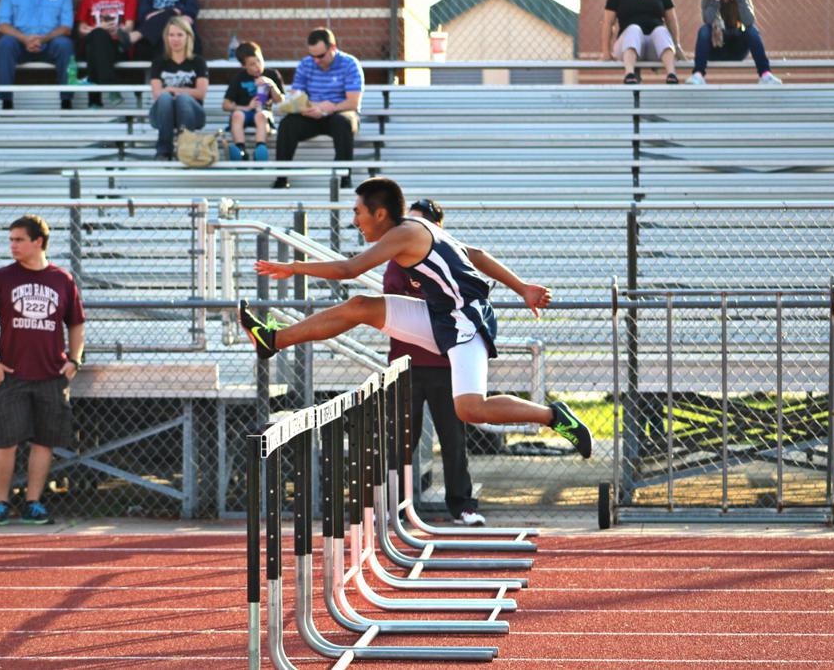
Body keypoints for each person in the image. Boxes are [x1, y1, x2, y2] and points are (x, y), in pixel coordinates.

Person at [239, 177, 593, 459]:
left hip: (465, 319)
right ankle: (273, 340)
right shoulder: (417, 227)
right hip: (438, 313)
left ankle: (554, 416)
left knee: (470, 409)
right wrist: (522, 288)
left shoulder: (406, 233)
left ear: (380, 213)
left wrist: (294, 267)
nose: (354, 221)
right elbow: (476, 254)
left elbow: (349, 269)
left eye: (358, 212)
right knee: (361, 306)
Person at [0, 214, 85, 526]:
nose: (13, 245)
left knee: (44, 442)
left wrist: (74, 360)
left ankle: (33, 503)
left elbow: (76, 323)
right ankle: (0, 503)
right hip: (13, 375)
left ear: (38, 242)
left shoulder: (62, 279)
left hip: (51, 375)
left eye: (19, 239)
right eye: (11, 240)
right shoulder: (2, 278)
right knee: (5, 441)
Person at [385, 198, 484, 526]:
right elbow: (394, 301)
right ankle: (394, 508)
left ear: (437, 226)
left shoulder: (450, 255)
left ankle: (463, 506)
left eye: (422, 221)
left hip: (446, 362)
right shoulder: (398, 258)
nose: (412, 227)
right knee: (400, 441)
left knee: (453, 439)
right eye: (409, 221)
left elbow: (465, 299)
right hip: (406, 363)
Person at [272, 28, 364, 190]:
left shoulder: (350, 64)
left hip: (339, 113)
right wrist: (308, 108)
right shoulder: (305, 64)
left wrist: (331, 108)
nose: (316, 60)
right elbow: (297, 96)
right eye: (312, 55)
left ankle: (344, 178)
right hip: (311, 114)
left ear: (333, 48)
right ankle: (281, 178)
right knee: (287, 124)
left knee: (343, 122)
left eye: (320, 56)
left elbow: (353, 103)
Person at [0, 0, 75, 110]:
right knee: (5, 44)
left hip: (50, 44)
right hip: (20, 45)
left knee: (65, 44)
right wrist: (24, 39)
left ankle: (66, 101)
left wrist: (43, 39)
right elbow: (2, 25)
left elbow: (66, 27)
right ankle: (6, 102)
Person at [686, 0, 781, 85]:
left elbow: (748, 21)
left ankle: (765, 74)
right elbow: (708, 20)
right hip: (715, 48)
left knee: (751, 30)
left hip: (737, 49)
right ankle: (698, 74)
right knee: (704, 30)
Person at [148, 16, 207, 161]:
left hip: (192, 114)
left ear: (188, 37)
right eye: (171, 35)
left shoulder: (198, 62)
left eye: (180, 35)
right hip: (163, 113)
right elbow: (157, 94)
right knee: (165, 98)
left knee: (183, 99)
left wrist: (176, 91)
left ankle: (185, 148)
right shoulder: (159, 62)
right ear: (166, 38)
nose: (175, 39)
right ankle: (164, 151)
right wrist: (171, 93)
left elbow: (201, 93)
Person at [601, 0, 685, 84]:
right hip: (627, 47)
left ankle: (671, 74)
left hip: (654, 49)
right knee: (634, 29)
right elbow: (608, 23)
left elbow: (671, 21)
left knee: (661, 30)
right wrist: (606, 51)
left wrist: (677, 46)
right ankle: (629, 74)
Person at [223, 41, 285, 162]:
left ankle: (260, 150)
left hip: (263, 113)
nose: (257, 66)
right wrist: (246, 107)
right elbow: (226, 105)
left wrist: (271, 85)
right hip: (244, 113)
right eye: (252, 64)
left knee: (260, 115)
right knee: (237, 115)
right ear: (244, 66)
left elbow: (280, 100)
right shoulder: (238, 78)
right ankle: (241, 151)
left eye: (259, 61)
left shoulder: (271, 74)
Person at [76, 0, 137, 108]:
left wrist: (116, 30)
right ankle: (111, 86)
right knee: (98, 36)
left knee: (94, 45)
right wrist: (99, 28)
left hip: (117, 45)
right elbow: (81, 30)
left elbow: (129, 27)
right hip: (94, 42)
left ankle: (94, 101)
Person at [128, 0, 200, 60]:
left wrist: (161, 13)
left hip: (182, 40)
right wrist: (172, 11)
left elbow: (189, 15)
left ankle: (137, 35)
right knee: (170, 14)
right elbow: (145, 17)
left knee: (171, 18)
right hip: (154, 42)